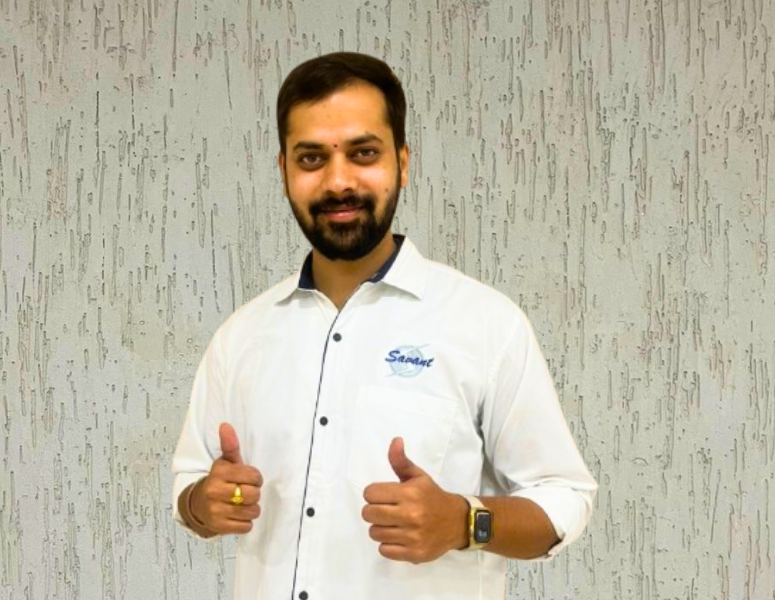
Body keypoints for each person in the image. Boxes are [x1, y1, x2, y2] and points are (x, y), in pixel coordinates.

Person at [170, 51, 597, 600]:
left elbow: (565, 498)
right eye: (311, 158)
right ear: (284, 172)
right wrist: (202, 504)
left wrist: (464, 521)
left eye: (363, 153)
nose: (338, 181)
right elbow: (190, 488)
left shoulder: (486, 325)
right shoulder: (241, 336)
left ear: (402, 162)